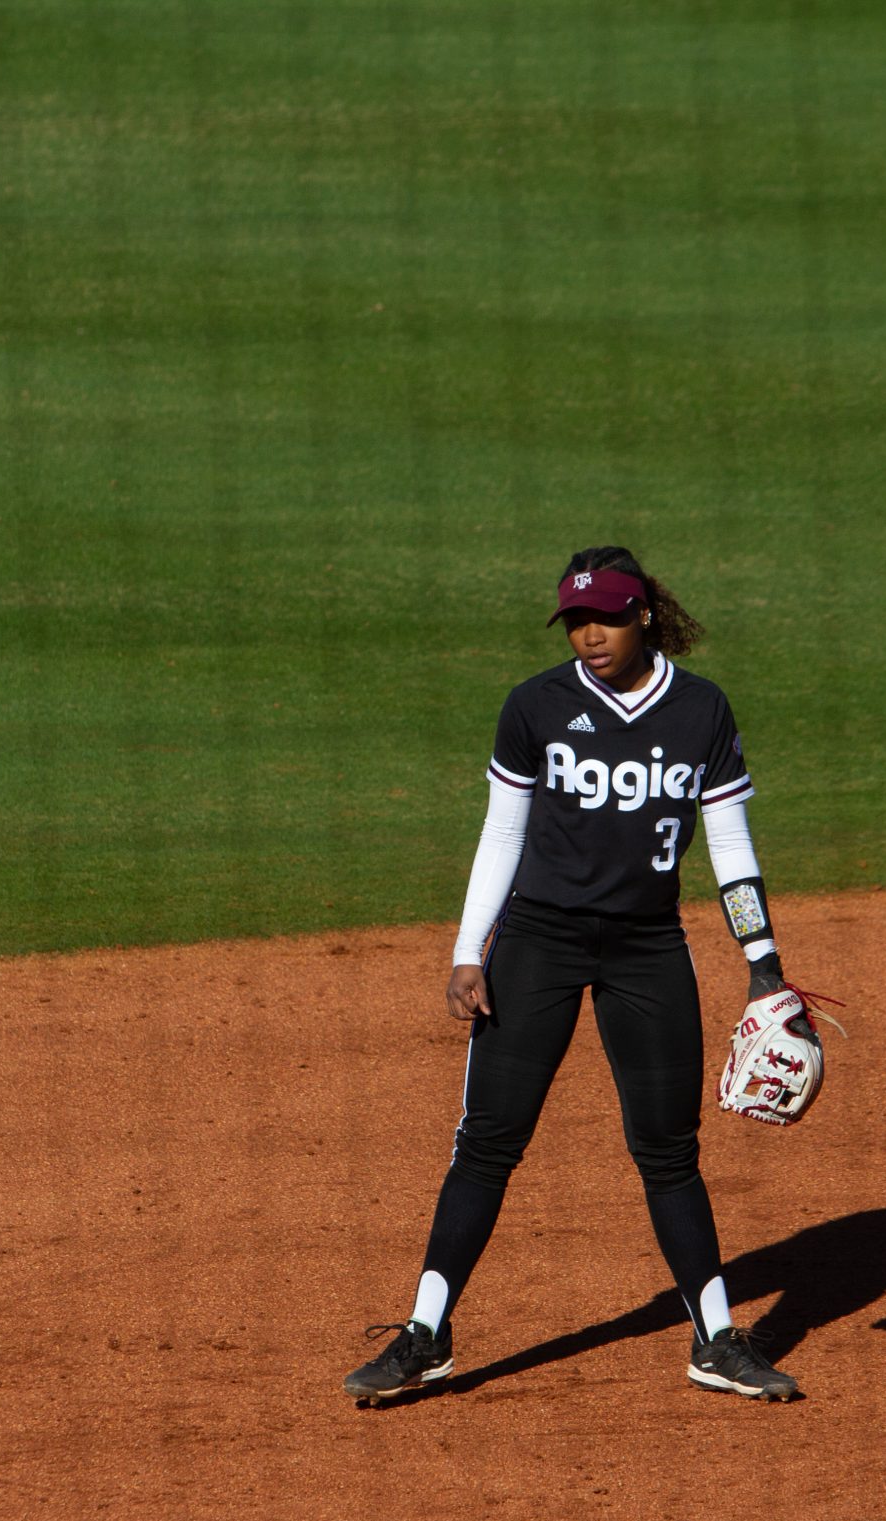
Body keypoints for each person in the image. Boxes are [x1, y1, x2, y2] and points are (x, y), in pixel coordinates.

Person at [345, 547, 809, 1405]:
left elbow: (733, 849)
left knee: (669, 1153)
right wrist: (465, 950)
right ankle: (426, 1333)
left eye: (604, 618)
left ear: (646, 616)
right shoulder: (536, 706)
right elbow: (501, 833)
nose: (588, 636)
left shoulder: (701, 711)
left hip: (647, 949)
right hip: (539, 943)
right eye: (574, 622)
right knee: (487, 1143)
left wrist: (765, 970)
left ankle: (715, 1340)